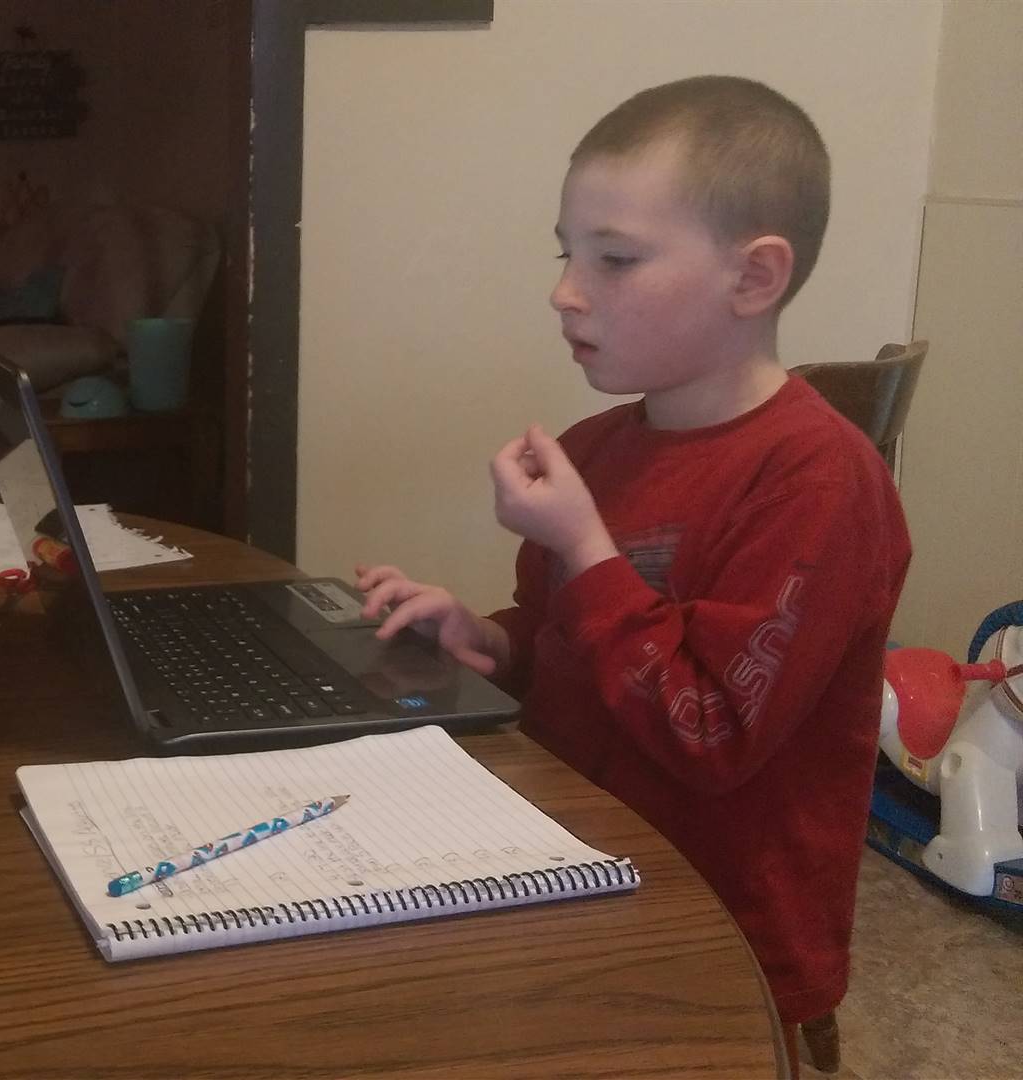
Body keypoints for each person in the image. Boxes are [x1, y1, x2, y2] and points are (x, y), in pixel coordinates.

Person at [356, 76, 911, 1042]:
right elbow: (575, 645)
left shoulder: (821, 484)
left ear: (753, 279)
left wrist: (583, 544)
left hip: (722, 941)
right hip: (574, 876)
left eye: (615, 259)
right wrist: (485, 635)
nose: (566, 291)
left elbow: (711, 733)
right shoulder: (601, 447)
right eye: (569, 253)